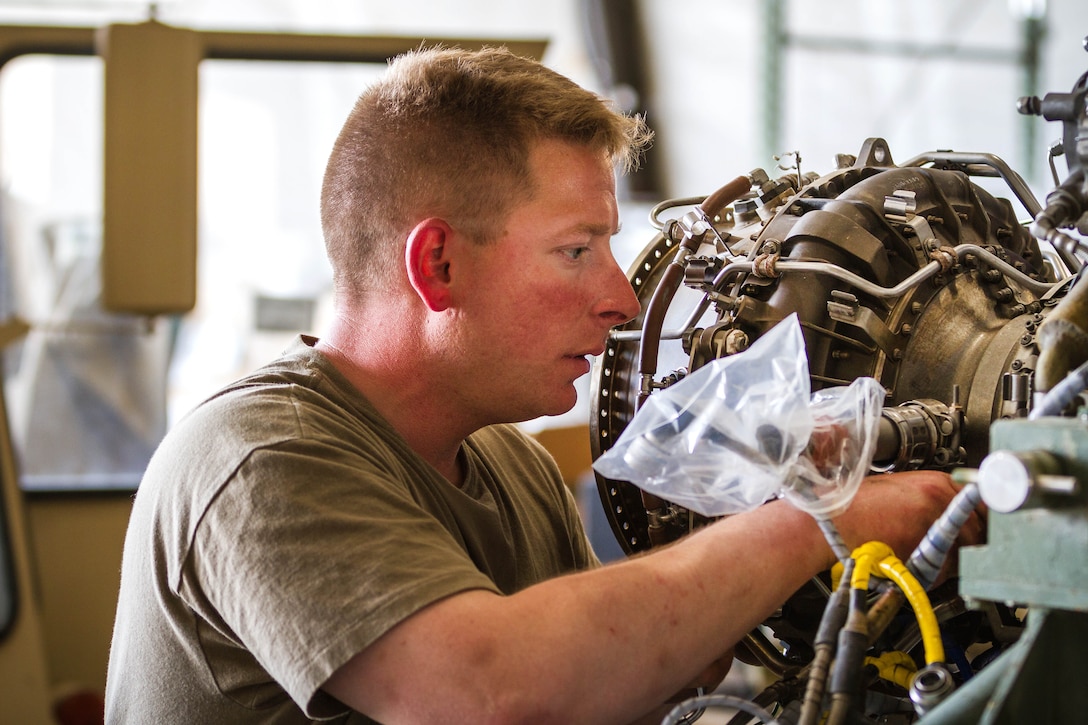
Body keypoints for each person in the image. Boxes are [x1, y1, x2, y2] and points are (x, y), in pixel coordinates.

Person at [104, 46, 979, 724]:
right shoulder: (260, 458)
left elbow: (598, 692)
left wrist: (765, 508)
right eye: (575, 250)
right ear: (437, 263)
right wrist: (813, 525)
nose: (622, 299)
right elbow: (491, 696)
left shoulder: (508, 465)